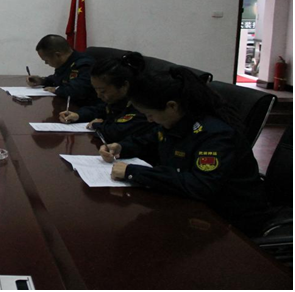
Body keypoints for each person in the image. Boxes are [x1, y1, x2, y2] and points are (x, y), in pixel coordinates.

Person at [99, 67, 272, 236]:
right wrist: (121, 147)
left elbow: (201, 185)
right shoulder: (177, 121)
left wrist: (133, 172)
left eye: (150, 114)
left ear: (172, 106)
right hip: (190, 205)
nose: (149, 120)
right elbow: (148, 140)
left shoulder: (215, 134)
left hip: (227, 221)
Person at [59, 52, 153, 143]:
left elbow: (117, 132)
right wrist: (78, 115)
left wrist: (98, 125)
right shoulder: (117, 98)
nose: (98, 95)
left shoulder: (142, 103)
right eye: (96, 90)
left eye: (103, 91)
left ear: (124, 86)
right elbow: (100, 109)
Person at [25, 34, 98, 105]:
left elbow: (79, 91)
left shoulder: (84, 65)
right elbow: (58, 79)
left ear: (57, 55)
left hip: (85, 108)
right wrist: (42, 80)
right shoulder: (65, 63)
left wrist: (56, 90)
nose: (46, 63)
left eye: (46, 60)